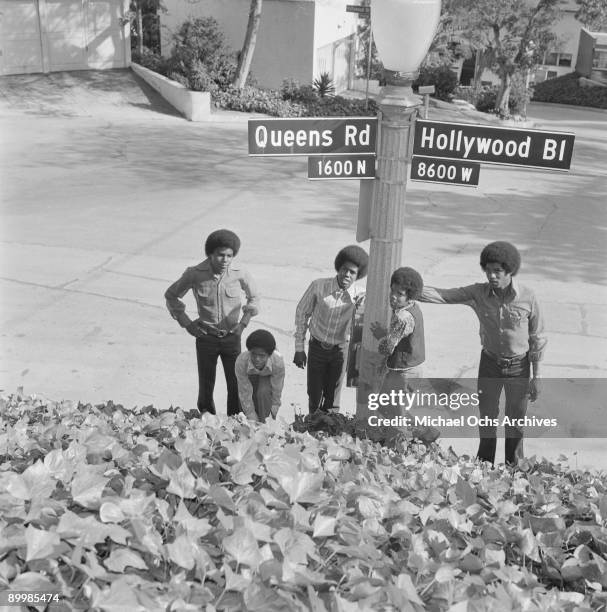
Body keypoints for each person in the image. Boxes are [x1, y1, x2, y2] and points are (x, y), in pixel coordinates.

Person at [418, 241, 547, 465]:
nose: (492, 276)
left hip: (519, 367)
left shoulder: (528, 297)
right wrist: (409, 289)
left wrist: (537, 377)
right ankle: (484, 465)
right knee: (487, 417)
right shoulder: (478, 293)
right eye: (488, 271)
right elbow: (445, 295)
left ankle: (515, 467)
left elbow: (537, 339)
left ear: (510, 271)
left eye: (497, 271)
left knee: (515, 420)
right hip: (489, 363)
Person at [165, 229, 259, 416]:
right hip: (206, 337)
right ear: (210, 254)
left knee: (236, 383)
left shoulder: (240, 274)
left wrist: (243, 324)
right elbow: (171, 296)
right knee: (206, 383)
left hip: (232, 337)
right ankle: (208, 420)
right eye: (220, 255)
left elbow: (254, 298)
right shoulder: (195, 274)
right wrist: (188, 324)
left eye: (229, 256)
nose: (225, 260)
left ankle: (234, 421)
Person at [294, 245, 368, 413]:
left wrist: (362, 307)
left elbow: (367, 325)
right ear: (338, 267)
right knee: (314, 395)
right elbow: (302, 313)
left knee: (332, 399)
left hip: (341, 352)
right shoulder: (318, 286)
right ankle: (312, 429)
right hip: (317, 348)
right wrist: (299, 348)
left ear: (358, 275)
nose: (347, 275)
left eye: (352, 272)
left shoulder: (361, 296)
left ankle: (330, 433)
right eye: (344, 269)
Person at [370, 267, 439, 443]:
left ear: (410, 296)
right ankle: (425, 432)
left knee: (396, 414)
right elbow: (399, 337)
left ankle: (396, 447)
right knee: (385, 405)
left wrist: (379, 337)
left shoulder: (402, 317)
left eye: (400, 294)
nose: (393, 296)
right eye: (392, 291)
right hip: (404, 368)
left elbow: (388, 347)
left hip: (405, 373)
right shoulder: (414, 307)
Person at [235, 329, 285, 422]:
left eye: (262, 356)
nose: (257, 359)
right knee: (243, 399)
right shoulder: (241, 361)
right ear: (249, 351)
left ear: (269, 355)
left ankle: (264, 423)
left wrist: (272, 412)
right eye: (253, 354)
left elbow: (277, 389)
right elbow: (244, 391)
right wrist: (251, 416)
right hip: (250, 373)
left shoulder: (277, 362)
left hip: (268, 374)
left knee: (263, 392)